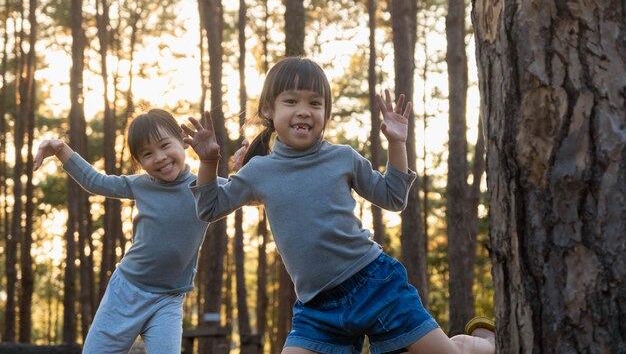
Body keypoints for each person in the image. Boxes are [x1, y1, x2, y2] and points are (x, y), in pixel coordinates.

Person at [182, 57, 496, 354]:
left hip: (374, 286)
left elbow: (394, 197)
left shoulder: (342, 157)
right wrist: (209, 162)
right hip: (317, 307)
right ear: (269, 109)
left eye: (314, 103)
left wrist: (397, 143)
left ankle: (478, 344)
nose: (304, 111)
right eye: (291, 101)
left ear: (326, 114)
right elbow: (210, 208)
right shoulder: (260, 171)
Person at [34, 108, 246, 354]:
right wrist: (61, 150)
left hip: (169, 298)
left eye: (165, 145)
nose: (159, 157)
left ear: (183, 141)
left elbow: (249, 195)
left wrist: (247, 167)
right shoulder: (141, 185)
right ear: (140, 162)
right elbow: (96, 181)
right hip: (127, 290)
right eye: (147, 154)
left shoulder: (208, 187)